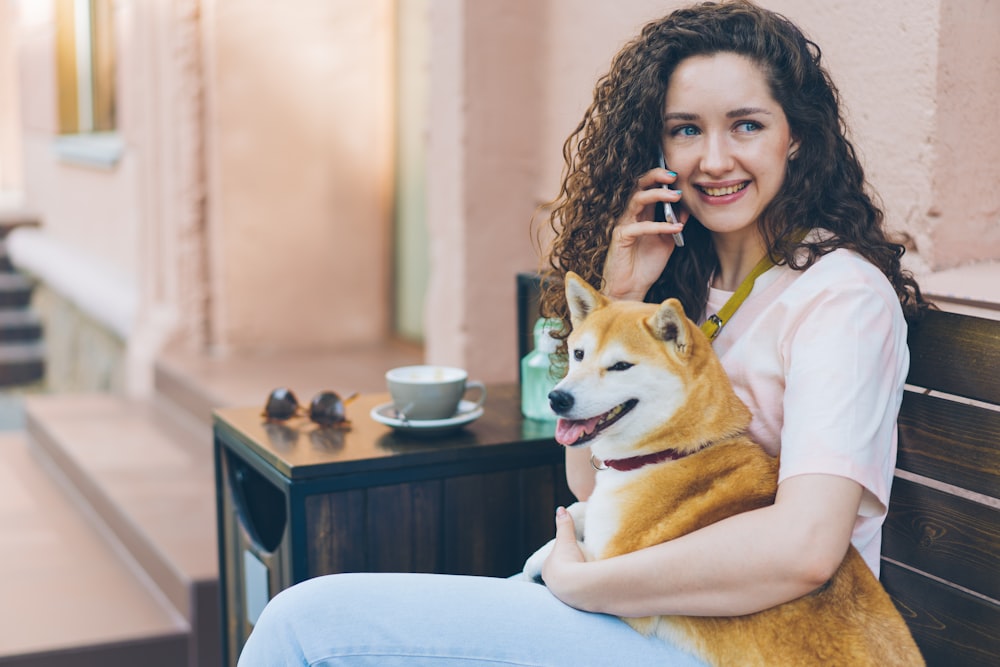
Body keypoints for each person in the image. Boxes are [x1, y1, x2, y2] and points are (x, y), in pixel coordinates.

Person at [238, 2, 927, 664]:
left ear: (796, 134)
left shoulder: (841, 298)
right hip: (649, 611)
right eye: (686, 129)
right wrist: (617, 300)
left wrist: (581, 582)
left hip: (753, 642)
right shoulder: (679, 286)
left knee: (304, 627)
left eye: (745, 125)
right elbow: (595, 483)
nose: (713, 160)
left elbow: (804, 548)